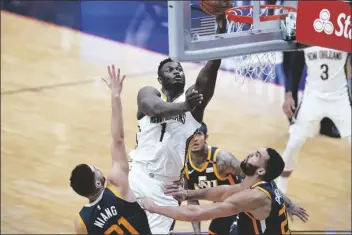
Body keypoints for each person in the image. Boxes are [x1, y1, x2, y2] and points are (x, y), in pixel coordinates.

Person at [129, 14, 228, 234]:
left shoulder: (195, 103)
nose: (177, 72)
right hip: (138, 176)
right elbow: (153, 108)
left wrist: (221, 29)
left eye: (180, 69)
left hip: (166, 187)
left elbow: (212, 66)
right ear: (160, 79)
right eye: (170, 70)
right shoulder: (148, 94)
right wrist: (184, 107)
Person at [141, 148, 309, 235]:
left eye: (256, 155)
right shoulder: (258, 184)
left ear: (261, 171)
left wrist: (155, 208)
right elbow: (225, 191)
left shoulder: (255, 197)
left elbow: (195, 213)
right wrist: (188, 194)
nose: (250, 153)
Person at [70, 65, 151, 235]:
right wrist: (115, 95)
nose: (98, 168)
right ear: (98, 183)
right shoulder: (116, 185)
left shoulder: (81, 222)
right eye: (95, 169)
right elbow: (118, 140)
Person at [277, 46, 351, 193]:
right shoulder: (307, 34)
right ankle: (280, 190)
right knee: (294, 143)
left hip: (339, 98)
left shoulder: (342, 28)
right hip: (313, 98)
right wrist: (289, 94)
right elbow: (294, 67)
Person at [184, 122, 243, 235]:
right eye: (190, 135)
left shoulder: (223, 159)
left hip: (242, 207)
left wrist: (284, 202)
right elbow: (191, 199)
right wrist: (197, 233)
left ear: (206, 137)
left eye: (198, 134)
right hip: (223, 208)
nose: (194, 139)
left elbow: (254, 179)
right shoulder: (184, 164)